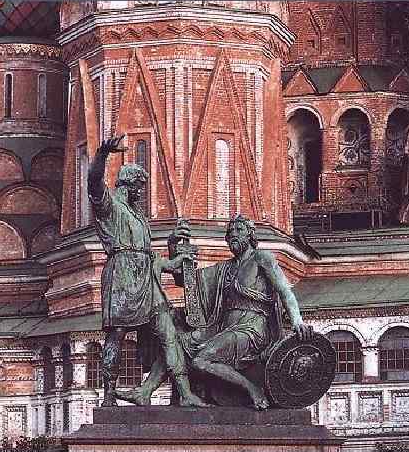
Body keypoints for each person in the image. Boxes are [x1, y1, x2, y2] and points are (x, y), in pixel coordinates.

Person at [114, 214, 313, 409]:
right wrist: (174, 247)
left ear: (250, 235)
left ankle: (252, 389)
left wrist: (297, 321)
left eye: (239, 230)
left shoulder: (261, 258)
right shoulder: (225, 268)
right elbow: (187, 281)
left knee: (201, 360)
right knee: (176, 342)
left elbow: (285, 291)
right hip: (222, 327)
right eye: (230, 231)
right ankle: (145, 392)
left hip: (251, 330)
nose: (233, 234)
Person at [87, 134, 208, 407]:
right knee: (117, 335)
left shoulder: (139, 216)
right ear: (127, 185)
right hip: (122, 276)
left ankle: (185, 394)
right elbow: (93, 183)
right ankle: (109, 397)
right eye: (139, 187)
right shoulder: (110, 207)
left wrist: (173, 246)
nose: (141, 193)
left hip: (147, 279)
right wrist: (102, 154)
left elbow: (151, 256)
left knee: (168, 333)